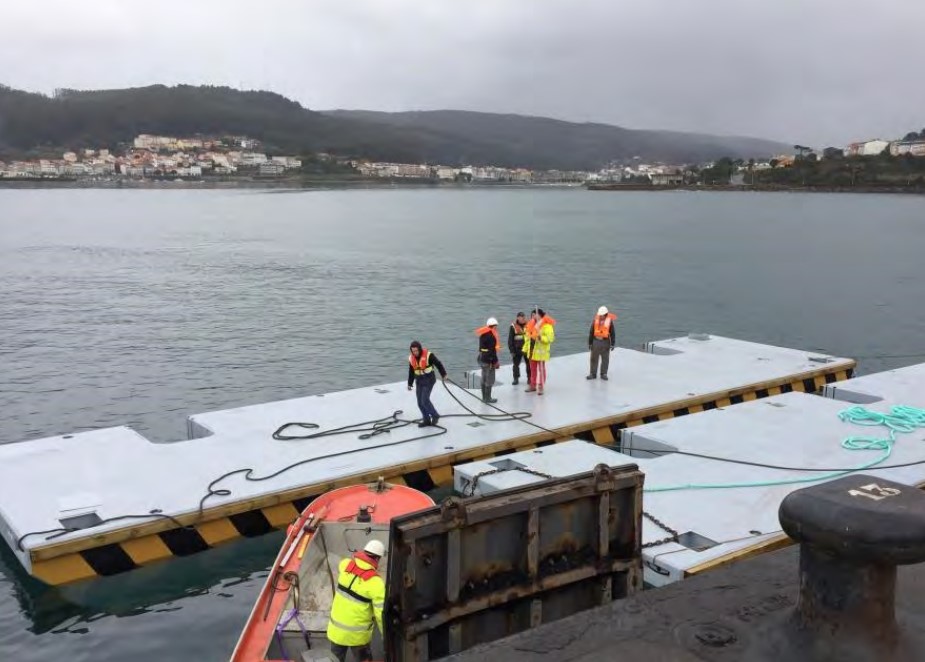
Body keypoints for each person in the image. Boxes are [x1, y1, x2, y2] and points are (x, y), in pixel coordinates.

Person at [326, 539, 387, 662]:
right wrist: (385, 635)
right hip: (358, 637)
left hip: (336, 632)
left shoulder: (346, 565)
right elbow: (381, 614)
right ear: (377, 559)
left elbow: (344, 563)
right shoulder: (376, 583)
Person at [407, 341, 447, 427]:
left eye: (416, 351)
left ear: (420, 349)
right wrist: (409, 383)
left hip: (429, 380)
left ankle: (435, 415)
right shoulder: (411, 358)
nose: (415, 353)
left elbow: (438, 364)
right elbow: (411, 371)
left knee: (424, 400)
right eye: (413, 351)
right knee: (419, 402)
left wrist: (444, 374)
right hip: (419, 381)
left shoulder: (429, 355)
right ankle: (426, 420)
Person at [522, 308, 556, 395]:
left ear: (540, 315)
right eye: (532, 315)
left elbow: (550, 338)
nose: (533, 316)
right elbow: (527, 338)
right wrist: (525, 349)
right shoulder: (530, 325)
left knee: (541, 369)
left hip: (541, 352)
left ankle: (541, 386)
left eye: (535, 314)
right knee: (532, 369)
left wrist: (541, 338)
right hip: (532, 351)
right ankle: (532, 385)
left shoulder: (547, 326)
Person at [474, 317, 501, 403]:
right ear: (493, 326)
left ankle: (483, 398)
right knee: (489, 379)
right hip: (489, 361)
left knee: (484, 378)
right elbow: (492, 351)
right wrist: (495, 362)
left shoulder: (483, 334)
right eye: (496, 326)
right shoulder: (491, 336)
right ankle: (488, 398)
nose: (496, 328)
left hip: (482, 359)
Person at [587, 306, 617, 380]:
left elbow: (612, 333)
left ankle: (603, 373)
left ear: (606, 314)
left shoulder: (610, 322)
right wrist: (590, 343)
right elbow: (591, 332)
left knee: (605, 358)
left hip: (605, 341)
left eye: (602, 315)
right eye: (600, 315)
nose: (601, 316)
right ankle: (593, 373)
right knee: (593, 358)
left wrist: (613, 344)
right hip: (596, 341)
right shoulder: (595, 320)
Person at [507, 312, 529, 386]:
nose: (522, 318)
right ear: (517, 318)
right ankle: (516, 378)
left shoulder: (529, 324)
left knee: (529, 364)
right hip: (517, 349)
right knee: (516, 365)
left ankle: (529, 378)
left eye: (523, 317)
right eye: (521, 317)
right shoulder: (513, 326)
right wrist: (512, 351)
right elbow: (510, 340)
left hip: (527, 348)